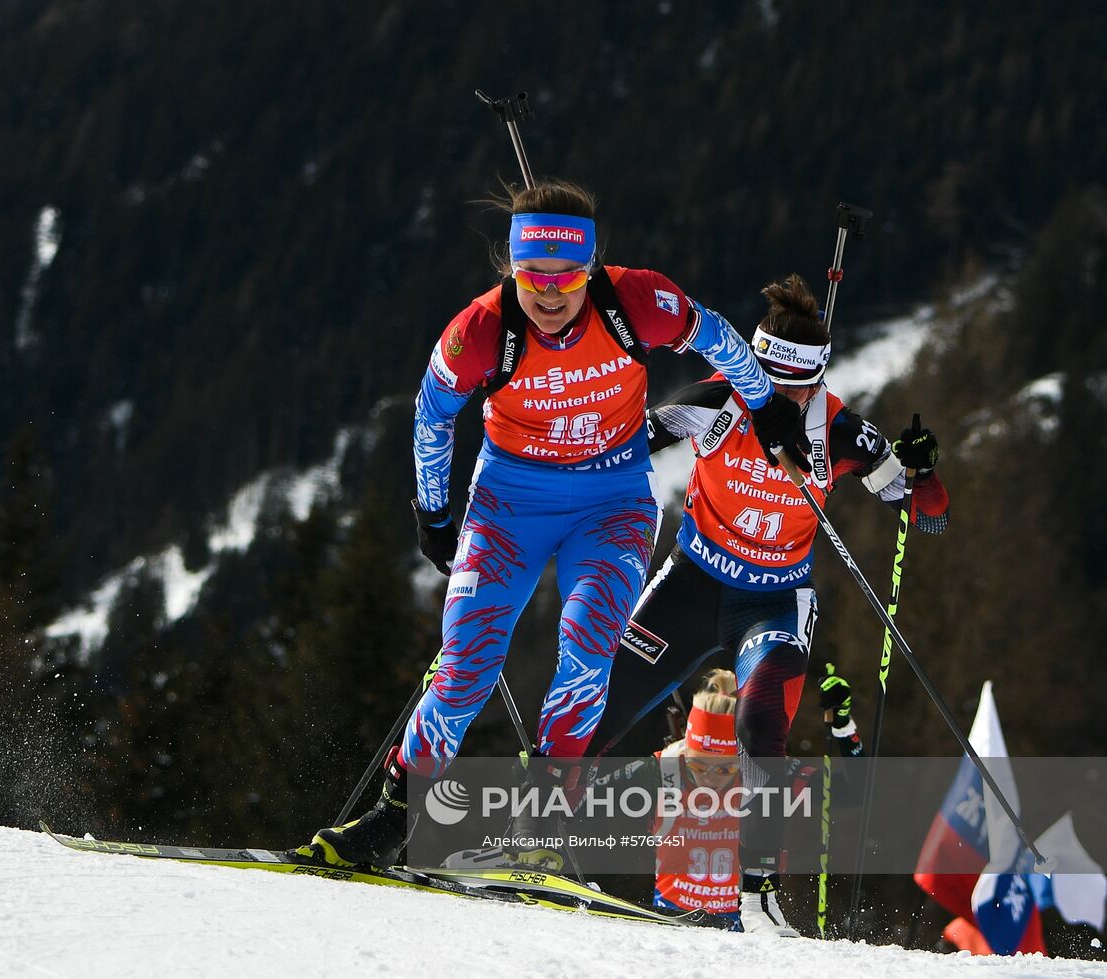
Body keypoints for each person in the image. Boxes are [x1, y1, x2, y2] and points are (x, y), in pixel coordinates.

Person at [309, 180, 812, 870]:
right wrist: (433, 511)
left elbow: (715, 333)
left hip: (612, 502)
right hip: (509, 504)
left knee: (587, 647)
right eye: (532, 276)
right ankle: (393, 816)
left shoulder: (635, 301)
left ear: (592, 268)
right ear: (510, 269)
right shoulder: (479, 331)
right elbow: (431, 414)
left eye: (568, 277)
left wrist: (764, 402)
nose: (550, 294)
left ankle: (541, 823)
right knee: (465, 668)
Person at [586, 272, 950, 934]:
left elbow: (925, 513)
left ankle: (755, 896)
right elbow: (618, 447)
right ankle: (532, 834)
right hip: (694, 583)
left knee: (760, 726)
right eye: (761, 374)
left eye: (787, 385)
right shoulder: (717, 399)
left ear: (812, 380)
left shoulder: (841, 433)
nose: (768, 394)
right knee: (602, 697)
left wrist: (923, 475)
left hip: (776, 602)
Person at [592, 666, 864, 931]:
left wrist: (842, 726)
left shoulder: (765, 772)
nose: (710, 778)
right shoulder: (664, 770)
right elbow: (583, 799)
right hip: (673, 926)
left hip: (743, 932)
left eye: (725, 768)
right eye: (698, 766)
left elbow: (853, 791)